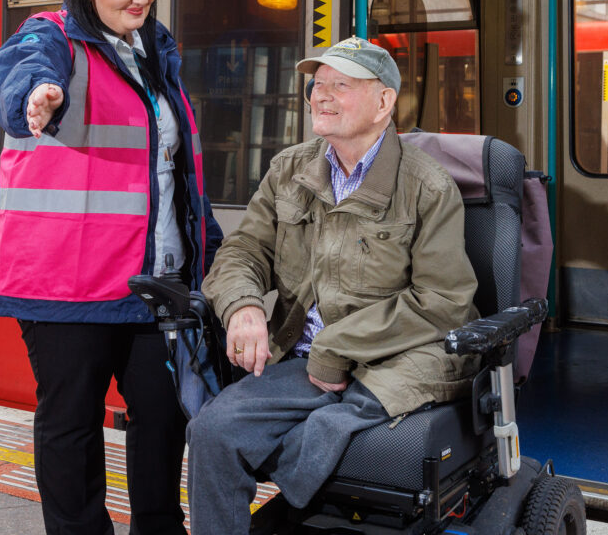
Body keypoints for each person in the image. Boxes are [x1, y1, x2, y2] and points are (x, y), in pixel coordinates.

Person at [186, 37, 480, 534]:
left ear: (384, 101)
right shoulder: (290, 169)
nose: (320, 95)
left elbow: (443, 302)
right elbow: (242, 252)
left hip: (398, 357)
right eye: (316, 85)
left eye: (339, 85)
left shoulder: (428, 186)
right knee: (211, 431)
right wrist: (243, 307)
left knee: (329, 425)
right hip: (306, 358)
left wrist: (337, 346)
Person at [0, 0, 223, 535]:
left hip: (153, 281)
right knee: (71, 423)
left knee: (164, 415)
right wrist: (37, 96)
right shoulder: (51, 39)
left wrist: (206, 254)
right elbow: (21, 77)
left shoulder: (153, 54)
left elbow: (172, 175)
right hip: (67, 284)